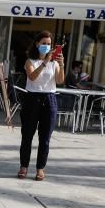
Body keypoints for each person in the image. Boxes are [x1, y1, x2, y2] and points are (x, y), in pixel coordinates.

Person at [18, 31, 64, 182]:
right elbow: (32, 76)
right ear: (37, 44)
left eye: (49, 44)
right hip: (32, 98)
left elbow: (59, 80)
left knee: (45, 138)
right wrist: (44, 62)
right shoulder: (30, 61)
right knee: (27, 135)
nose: (46, 46)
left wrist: (61, 65)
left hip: (49, 98)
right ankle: (23, 166)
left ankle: (40, 169)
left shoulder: (54, 63)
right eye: (43, 43)